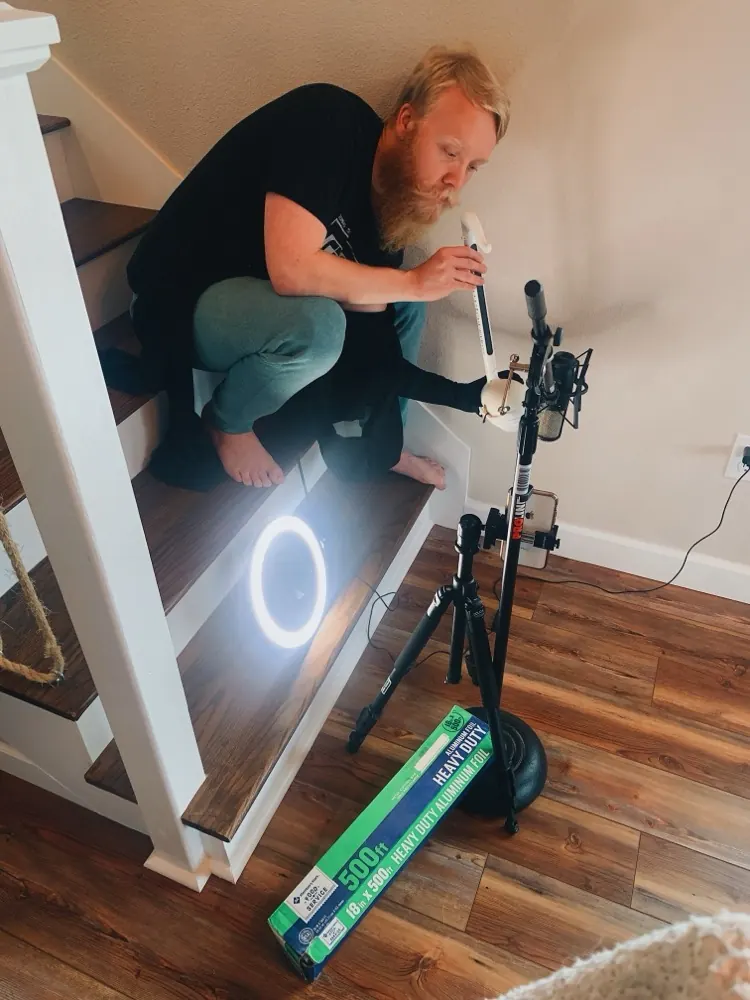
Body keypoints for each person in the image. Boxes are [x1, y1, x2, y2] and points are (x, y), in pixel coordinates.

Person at [126, 46, 509, 490]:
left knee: (405, 306)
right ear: (407, 121)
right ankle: (227, 421)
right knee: (324, 325)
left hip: (253, 305)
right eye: (449, 152)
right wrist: (414, 282)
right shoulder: (327, 123)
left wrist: (411, 290)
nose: (456, 183)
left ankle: (382, 441)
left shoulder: (393, 201)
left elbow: (374, 342)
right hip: (178, 294)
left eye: (472, 167)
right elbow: (291, 269)